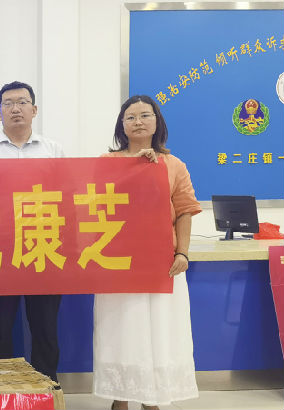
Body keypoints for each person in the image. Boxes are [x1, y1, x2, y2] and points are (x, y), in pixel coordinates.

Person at [92, 95, 200, 410]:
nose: (138, 122)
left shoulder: (174, 164)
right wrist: (135, 170)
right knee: (121, 330)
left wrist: (183, 253)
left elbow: (184, 210)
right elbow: (95, 202)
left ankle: (152, 397)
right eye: (130, 117)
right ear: (121, 125)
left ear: (157, 122)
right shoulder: (107, 161)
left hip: (162, 263)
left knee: (161, 331)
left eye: (145, 115)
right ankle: (120, 397)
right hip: (118, 262)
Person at [0, 81, 65, 383]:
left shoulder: (53, 150)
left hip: (44, 245)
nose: (16, 108)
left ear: (34, 110)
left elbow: (66, 197)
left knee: (45, 326)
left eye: (22, 102)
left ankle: (46, 388)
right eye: (8, 103)